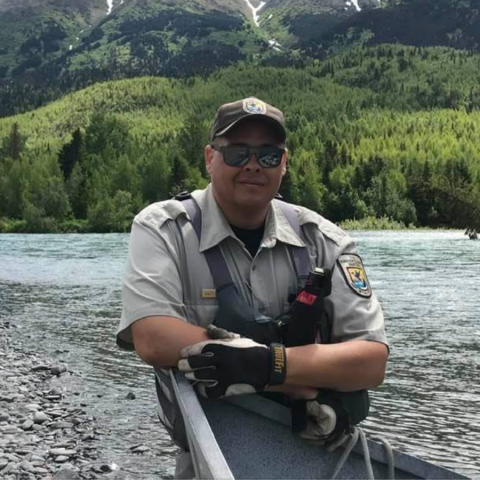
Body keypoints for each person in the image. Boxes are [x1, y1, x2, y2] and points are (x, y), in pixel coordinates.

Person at [117, 97, 389, 478]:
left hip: (320, 456)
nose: (252, 165)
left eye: (267, 155)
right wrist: (301, 380)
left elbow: (371, 362)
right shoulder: (162, 228)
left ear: (284, 163)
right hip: (209, 455)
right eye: (237, 152)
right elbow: (152, 336)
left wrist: (265, 366)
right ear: (210, 157)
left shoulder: (326, 240)